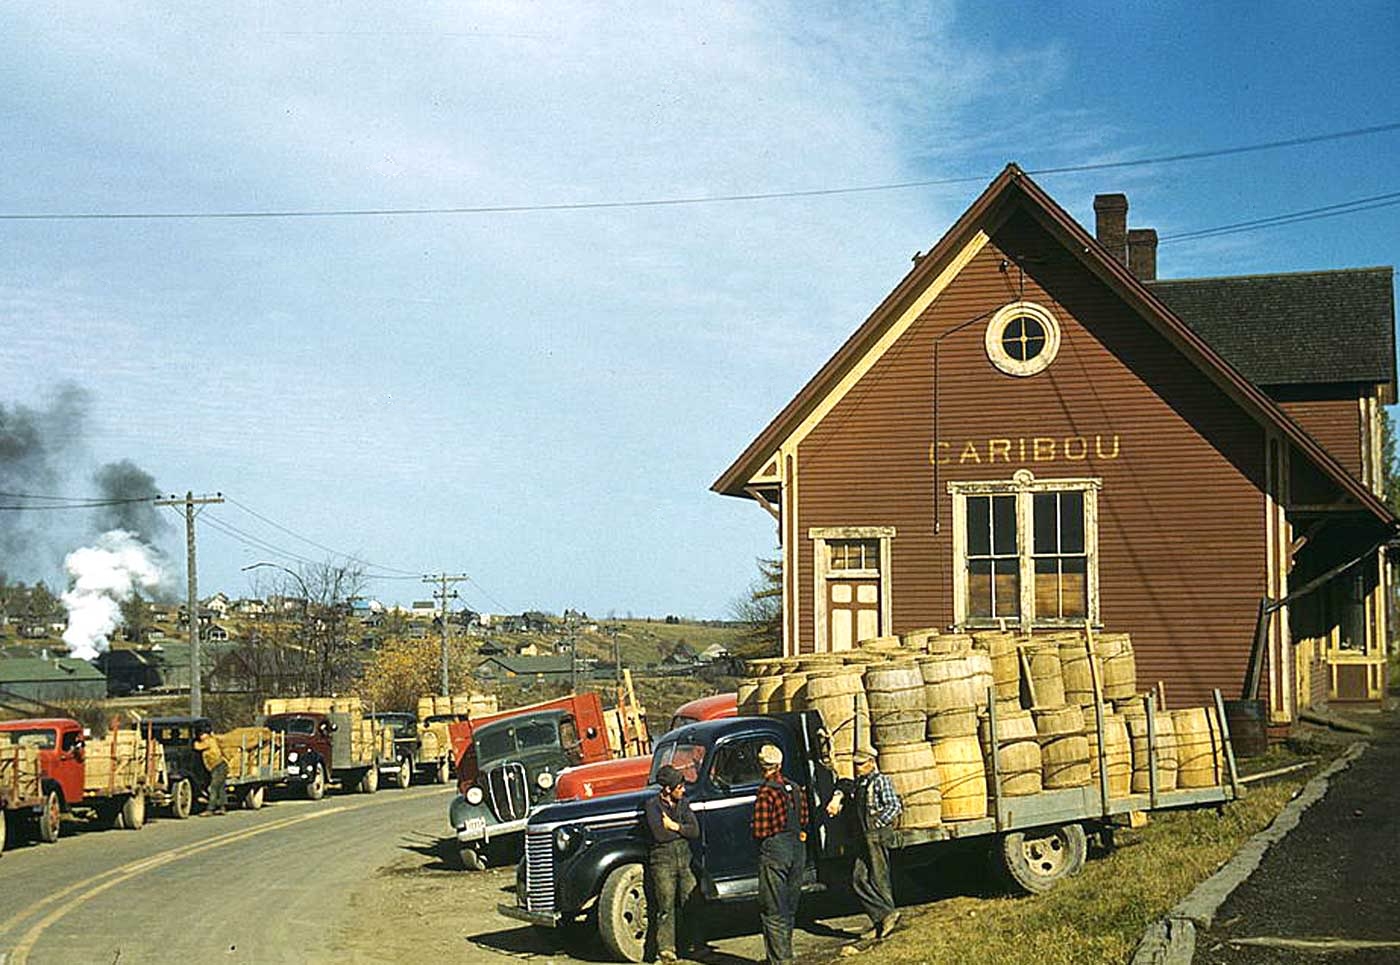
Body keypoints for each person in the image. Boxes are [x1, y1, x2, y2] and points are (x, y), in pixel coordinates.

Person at [826, 749, 902, 940]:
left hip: (876, 835)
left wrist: (876, 823)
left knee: (879, 878)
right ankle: (882, 917)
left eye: (861, 764)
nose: (857, 768)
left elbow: (894, 806)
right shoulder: (860, 783)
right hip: (863, 837)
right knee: (858, 879)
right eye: (856, 764)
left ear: (872, 762)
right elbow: (844, 785)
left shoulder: (880, 781)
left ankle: (886, 920)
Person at [751, 743, 809, 965]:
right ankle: (783, 954)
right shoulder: (794, 788)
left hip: (775, 850)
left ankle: (781, 960)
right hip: (797, 848)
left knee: (773, 908)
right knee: (789, 906)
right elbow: (803, 819)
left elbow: (760, 829)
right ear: (780, 764)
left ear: (762, 765)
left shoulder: (766, 793)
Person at [644, 764, 699, 962]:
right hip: (663, 860)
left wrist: (673, 826)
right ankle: (666, 949)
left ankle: (693, 944)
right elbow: (660, 834)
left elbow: (695, 831)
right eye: (679, 787)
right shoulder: (652, 805)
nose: (683, 790)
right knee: (665, 906)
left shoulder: (683, 803)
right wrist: (681, 829)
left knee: (690, 901)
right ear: (667, 789)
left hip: (684, 859)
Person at [193, 725, 229, 815]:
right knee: (220, 788)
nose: (200, 736)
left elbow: (197, 747)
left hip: (218, 766)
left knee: (213, 787)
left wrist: (193, 741)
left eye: (202, 734)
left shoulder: (208, 741)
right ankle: (222, 807)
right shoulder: (211, 740)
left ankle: (210, 809)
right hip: (218, 766)